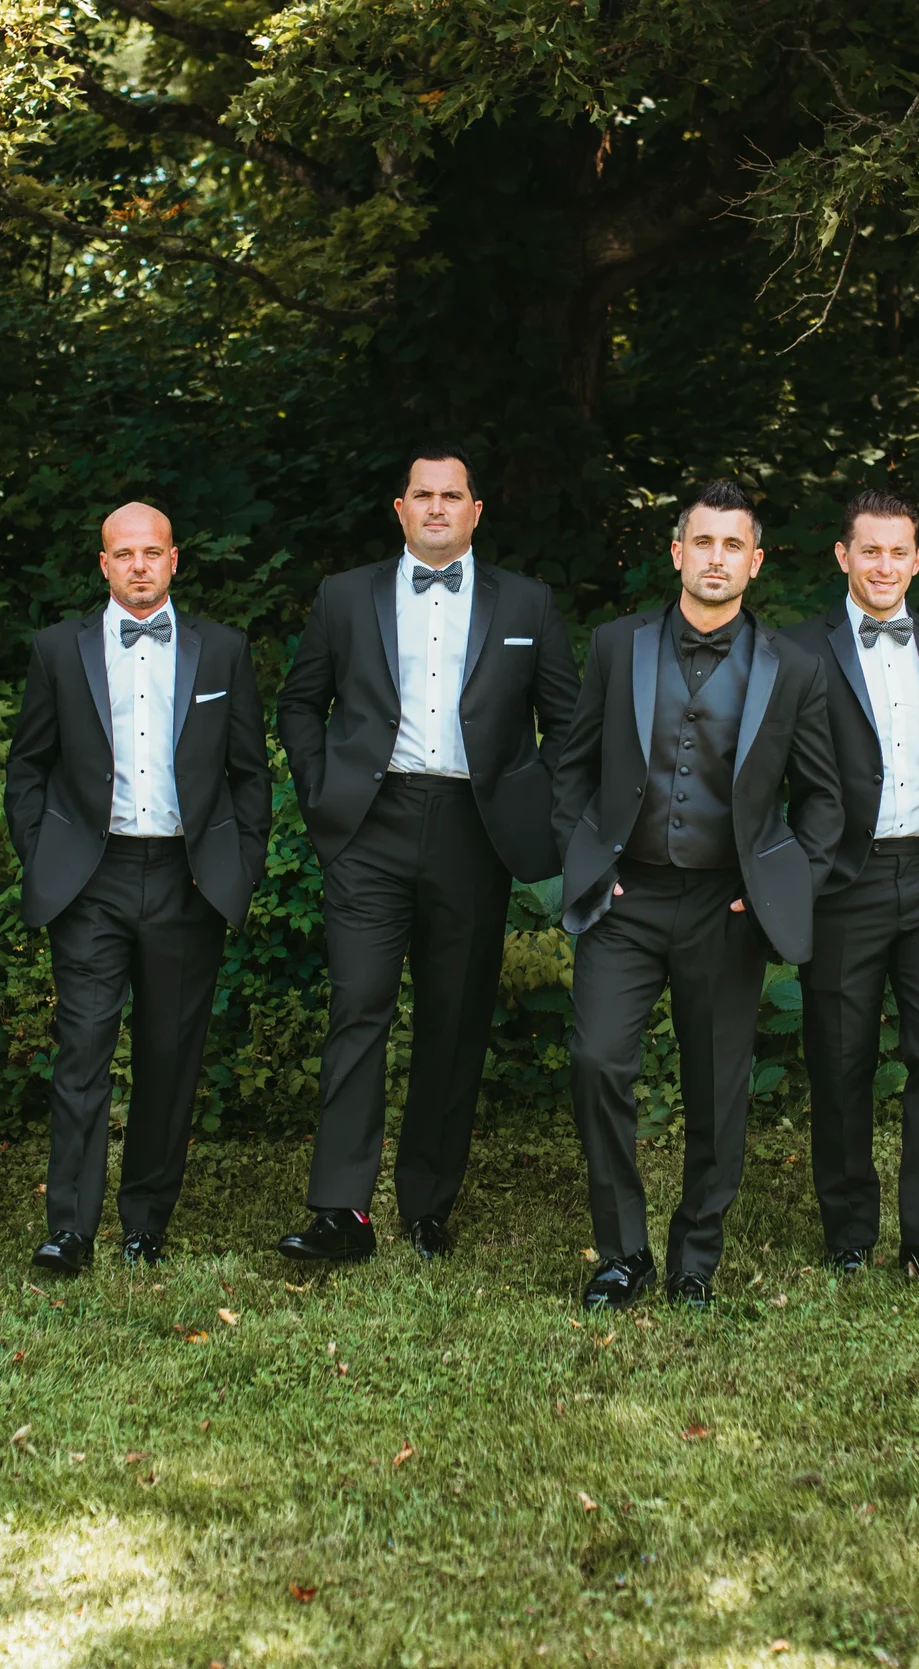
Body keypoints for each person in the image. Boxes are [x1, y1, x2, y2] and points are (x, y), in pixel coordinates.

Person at [272, 448, 581, 1263]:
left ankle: (426, 1205)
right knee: (359, 1009)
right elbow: (301, 703)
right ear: (399, 509)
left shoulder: (529, 600)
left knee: (454, 1020)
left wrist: (530, 807)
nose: (437, 508)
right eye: (423, 495)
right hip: (370, 824)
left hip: (473, 830)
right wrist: (321, 792)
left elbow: (570, 725)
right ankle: (343, 1210)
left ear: (477, 510)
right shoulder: (346, 596)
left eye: (453, 496)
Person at [555, 480, 845, 1309]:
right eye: (702, 542)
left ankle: (695, 1258)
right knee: (597, 1058)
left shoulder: (793, 667)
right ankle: (622, 1254)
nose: (716, 558)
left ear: (754, 562)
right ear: (677, 551)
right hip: (625, 896)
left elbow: (824, 801)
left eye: (733, 546)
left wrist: (784, 882)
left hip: (728, 906)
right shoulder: (618, 645)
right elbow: (572, 767)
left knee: (718, 1088)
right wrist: (584, 861)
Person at [6, 504, 271, 1274]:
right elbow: (27, 766)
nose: (139, 566)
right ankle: (70, 1227)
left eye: (152, 552)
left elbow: (250, 773)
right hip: (92, 877)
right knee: (82, 1051)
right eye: (124, 554)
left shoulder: (222, 650)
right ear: (103, 565)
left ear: (176, 559)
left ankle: (146, 1221)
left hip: (188, 879)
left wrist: (240, 863)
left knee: (170, 1056)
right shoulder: (60, 649)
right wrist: (44, 849)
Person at [782, 491, 919, 1283]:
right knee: (840, 1057)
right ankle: (849, 1228)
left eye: (898, 552)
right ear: (843, 556)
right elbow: (760, 770)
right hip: (845, 876)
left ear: (918, 559)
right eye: (868, 551)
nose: (884, 566)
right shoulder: (796, 650)